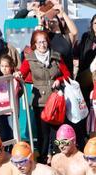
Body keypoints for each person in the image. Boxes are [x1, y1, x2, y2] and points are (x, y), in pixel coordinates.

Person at [19, 29, 70, 158]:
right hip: (40, 101)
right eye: (39, 42)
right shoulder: (29, 59)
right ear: (34, 44)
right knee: (43, 133)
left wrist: (59, 80)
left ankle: (58, 157)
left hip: (56, 99)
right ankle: (42, 158)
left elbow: (67, 75)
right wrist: (17, 76)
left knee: (57, 132)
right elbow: (21, 75)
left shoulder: (56, 56)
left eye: (44, 42)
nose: (42, 45)